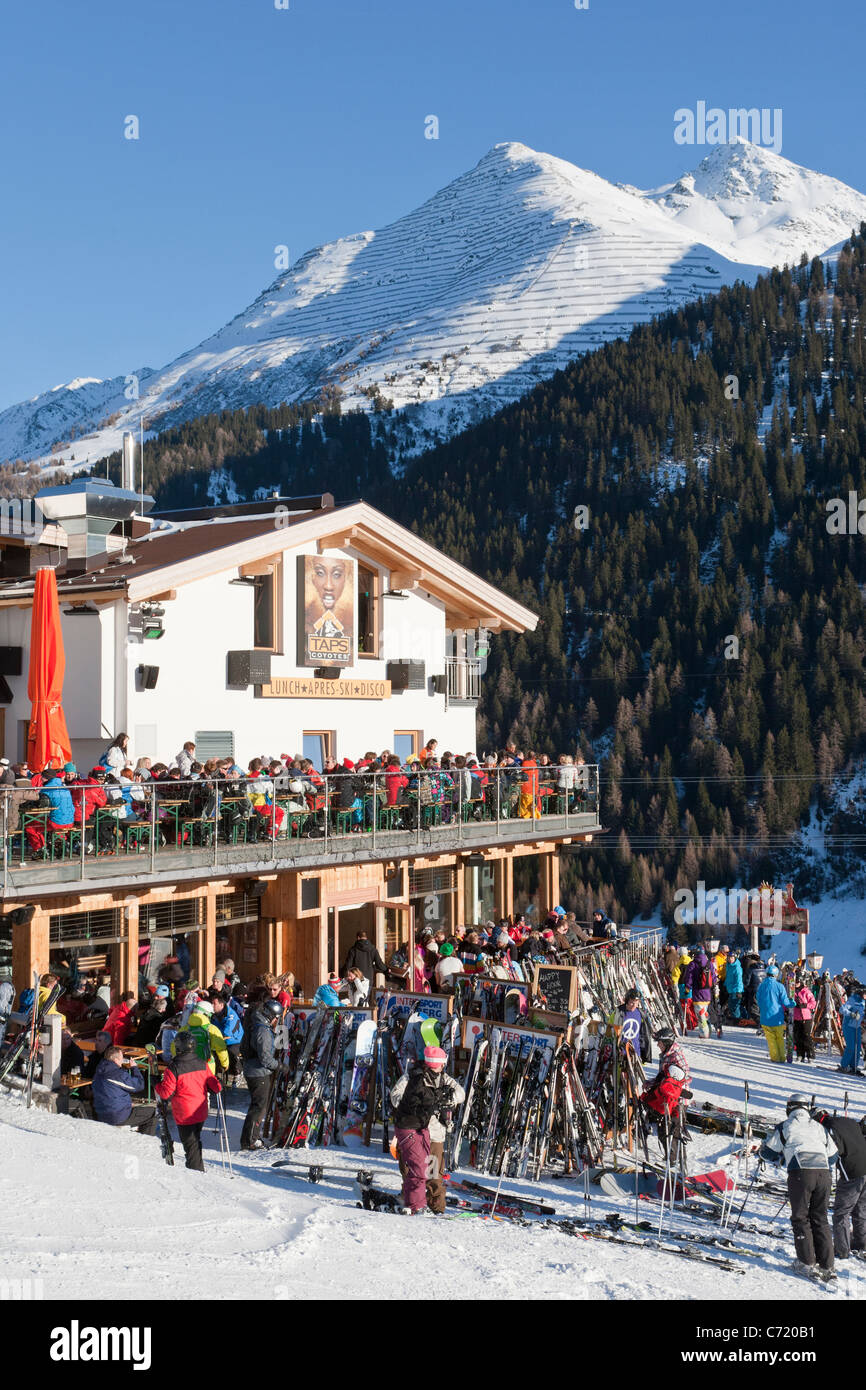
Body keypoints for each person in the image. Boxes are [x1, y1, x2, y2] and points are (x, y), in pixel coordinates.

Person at [760, 1094, 838, 1282]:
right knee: (820, 1217)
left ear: (790, 1108)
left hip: (801, 1173)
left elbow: (768, 1152)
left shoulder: (786, 1126)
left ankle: (806, 1262)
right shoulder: (819, 1127)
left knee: (800, 1217)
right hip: (824, 1174)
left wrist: (775, 1156)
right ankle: (827, 1264)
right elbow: (833, 1156)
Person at [390, 1046, 465, 1214]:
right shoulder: (412, 1076)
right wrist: (413, 1102)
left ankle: (436, 1207)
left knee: (433, 1173)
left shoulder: (444, 1079)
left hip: (434, 1134)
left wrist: (448, 1099)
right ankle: (409, 1200)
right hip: (412, 1129)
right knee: (410, 1169)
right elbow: (396, 1096)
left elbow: (460, 1093)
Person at [155, 1030, 222, 1171]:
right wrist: (218, 1083)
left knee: (191, 1146)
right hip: (200, 1110)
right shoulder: (202, 1063)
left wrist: (156, 1084)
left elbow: (166, 1093)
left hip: (185, 1114)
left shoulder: (174, 1067)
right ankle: (197, 1167)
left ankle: (196, 1173)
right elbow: (215, 1086)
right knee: (194, 1142)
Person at [811, 1106, 866, 1262]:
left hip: (852, 1174)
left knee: (842, 1213)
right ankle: (861, 1244)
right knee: (861, 1210)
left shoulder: (828, 1130)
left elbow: (834, 1153)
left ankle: (842, 1250)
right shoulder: (848, 1121)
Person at [641, 1028, 691, 1163]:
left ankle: (678, 1162)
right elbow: (662, 1075)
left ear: (667, 1042)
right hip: (665, 1099)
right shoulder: (665, 1055)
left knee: (674, 1132)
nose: (657, 1045)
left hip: (677, 1100)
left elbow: (685, 1075)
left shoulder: (675, 1056)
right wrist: (651, 1083)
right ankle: (670, 1157)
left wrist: (671, 1085)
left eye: (660, 1042)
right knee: (663, 1131)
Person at [239, 995, 282, 1150]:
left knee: (257, 1106)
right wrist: (279, 1066)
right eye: (276, 1017)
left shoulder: (256, 1023)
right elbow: (265, 1057)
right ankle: (250, 1140)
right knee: (259, 1107)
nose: (276, 1021)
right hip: (258, 1072)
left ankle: (251, 1138)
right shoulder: (262, 1030)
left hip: (253, 1069)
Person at [91, 1046, 157, 1135]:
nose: (122, 1061)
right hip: (116, 1116)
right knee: (153, 1112)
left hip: (100, 1114)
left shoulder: (98, 1071)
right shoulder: (118, 1074)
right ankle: (145, 1141)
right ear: (116, 1060)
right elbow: (139, 1086)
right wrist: (134, 1068)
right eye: (122, 1058)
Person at [756, 964, 793, 1064]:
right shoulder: (779, 986)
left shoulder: (761, 985)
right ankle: (781, 1057)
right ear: (776, 975)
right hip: (777, 1017)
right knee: (780, 1038)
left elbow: (758, 1000)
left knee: (771, 1039)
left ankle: (775, 1057)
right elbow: (786, 1002)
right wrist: (792, 1003)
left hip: (765, 1017)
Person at [683, 949, 717, 1040]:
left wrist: (687, 988)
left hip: (698, 993)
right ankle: (708, 1030)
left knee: (700, 1013)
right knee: (704, 1011)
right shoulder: (709, 963)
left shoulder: (693, 964)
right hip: (707, 993)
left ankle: (704, 1033)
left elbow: (689, 978)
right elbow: (714, 977)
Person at [211, 994, 244, 1083]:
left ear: (221, 1005)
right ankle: (215, 1072)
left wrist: (213, 1033)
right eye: (211, 1003)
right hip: (220, 1038)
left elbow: (227, 1032)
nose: (212, 1006)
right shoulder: (214, 1014)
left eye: (214, 1003)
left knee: (231, 1051)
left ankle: (238, 1072)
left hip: (234, 1040)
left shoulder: (230, 1014)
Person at [791, 976, 817, 1063]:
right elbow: (787, 1001)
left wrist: (805, 1005)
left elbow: (813, 1003)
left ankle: (810, 1055)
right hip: (796, 1017)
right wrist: (786, 1010)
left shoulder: (806, 991)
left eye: (798, 981)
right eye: (795, 982)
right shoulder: (792, 991)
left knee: (806, 1036)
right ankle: (800, 1054)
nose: (796, 983)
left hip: (806, 1017)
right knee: (797, 1037)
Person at [840, 991, 865, 1076]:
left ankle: (853, 1066)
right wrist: (852, 1014)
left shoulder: (863, 1002)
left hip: (857, 1027)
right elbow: (842, 1009)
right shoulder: (853, 999)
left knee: (857, 1048)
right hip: (848, 1025)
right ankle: (844, 1066)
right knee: (851, 1046)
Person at [725, 951, 744, 1020]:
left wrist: (738, 991)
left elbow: (739, 980)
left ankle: (737, 1020)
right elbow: (728, 977)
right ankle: (743, 1018)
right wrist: (725, 985)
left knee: (734, 1006)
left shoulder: (736, 967)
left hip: (736, 990)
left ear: (735, 958)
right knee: (733, 1005)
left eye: (732, 958)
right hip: (730, 989)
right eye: (729, 958)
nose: (730, 959)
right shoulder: (729, 965)